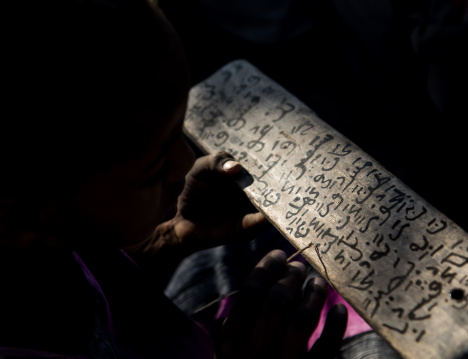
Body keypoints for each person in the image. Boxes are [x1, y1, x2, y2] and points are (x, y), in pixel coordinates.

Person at [0, 0, 347, 358]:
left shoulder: (44, 232)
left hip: (168, 327)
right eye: (151, 170)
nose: (186, 162)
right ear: (22, 220)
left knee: (283, 235)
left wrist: (166, 238)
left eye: (179, 131)